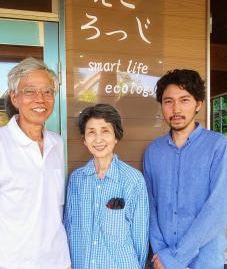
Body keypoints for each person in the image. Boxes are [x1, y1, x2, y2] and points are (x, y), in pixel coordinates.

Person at [143, 69, 227, 269]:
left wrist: (176, 258)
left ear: (199, 104)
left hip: (205, 261)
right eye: (168, 101)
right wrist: (161, 252)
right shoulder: (153, 151)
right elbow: (149, 206)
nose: (176, 109)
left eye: (184, 100)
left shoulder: (219, 146)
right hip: (162, 261)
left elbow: (219, 208)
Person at [0, 57, 71, 269]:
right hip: (13, 262)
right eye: (30, 91)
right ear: (15, 98)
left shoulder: (56, 143)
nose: (40, 99)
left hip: (58, 260)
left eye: (48, 92)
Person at [64, 103, 149, 269]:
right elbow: (70, 229)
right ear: (84, 140)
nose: (98, 139)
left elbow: (140, 236)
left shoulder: (133, 179)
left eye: (105, 131)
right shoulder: (76, 180)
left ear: (116, 136)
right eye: (91, 132)